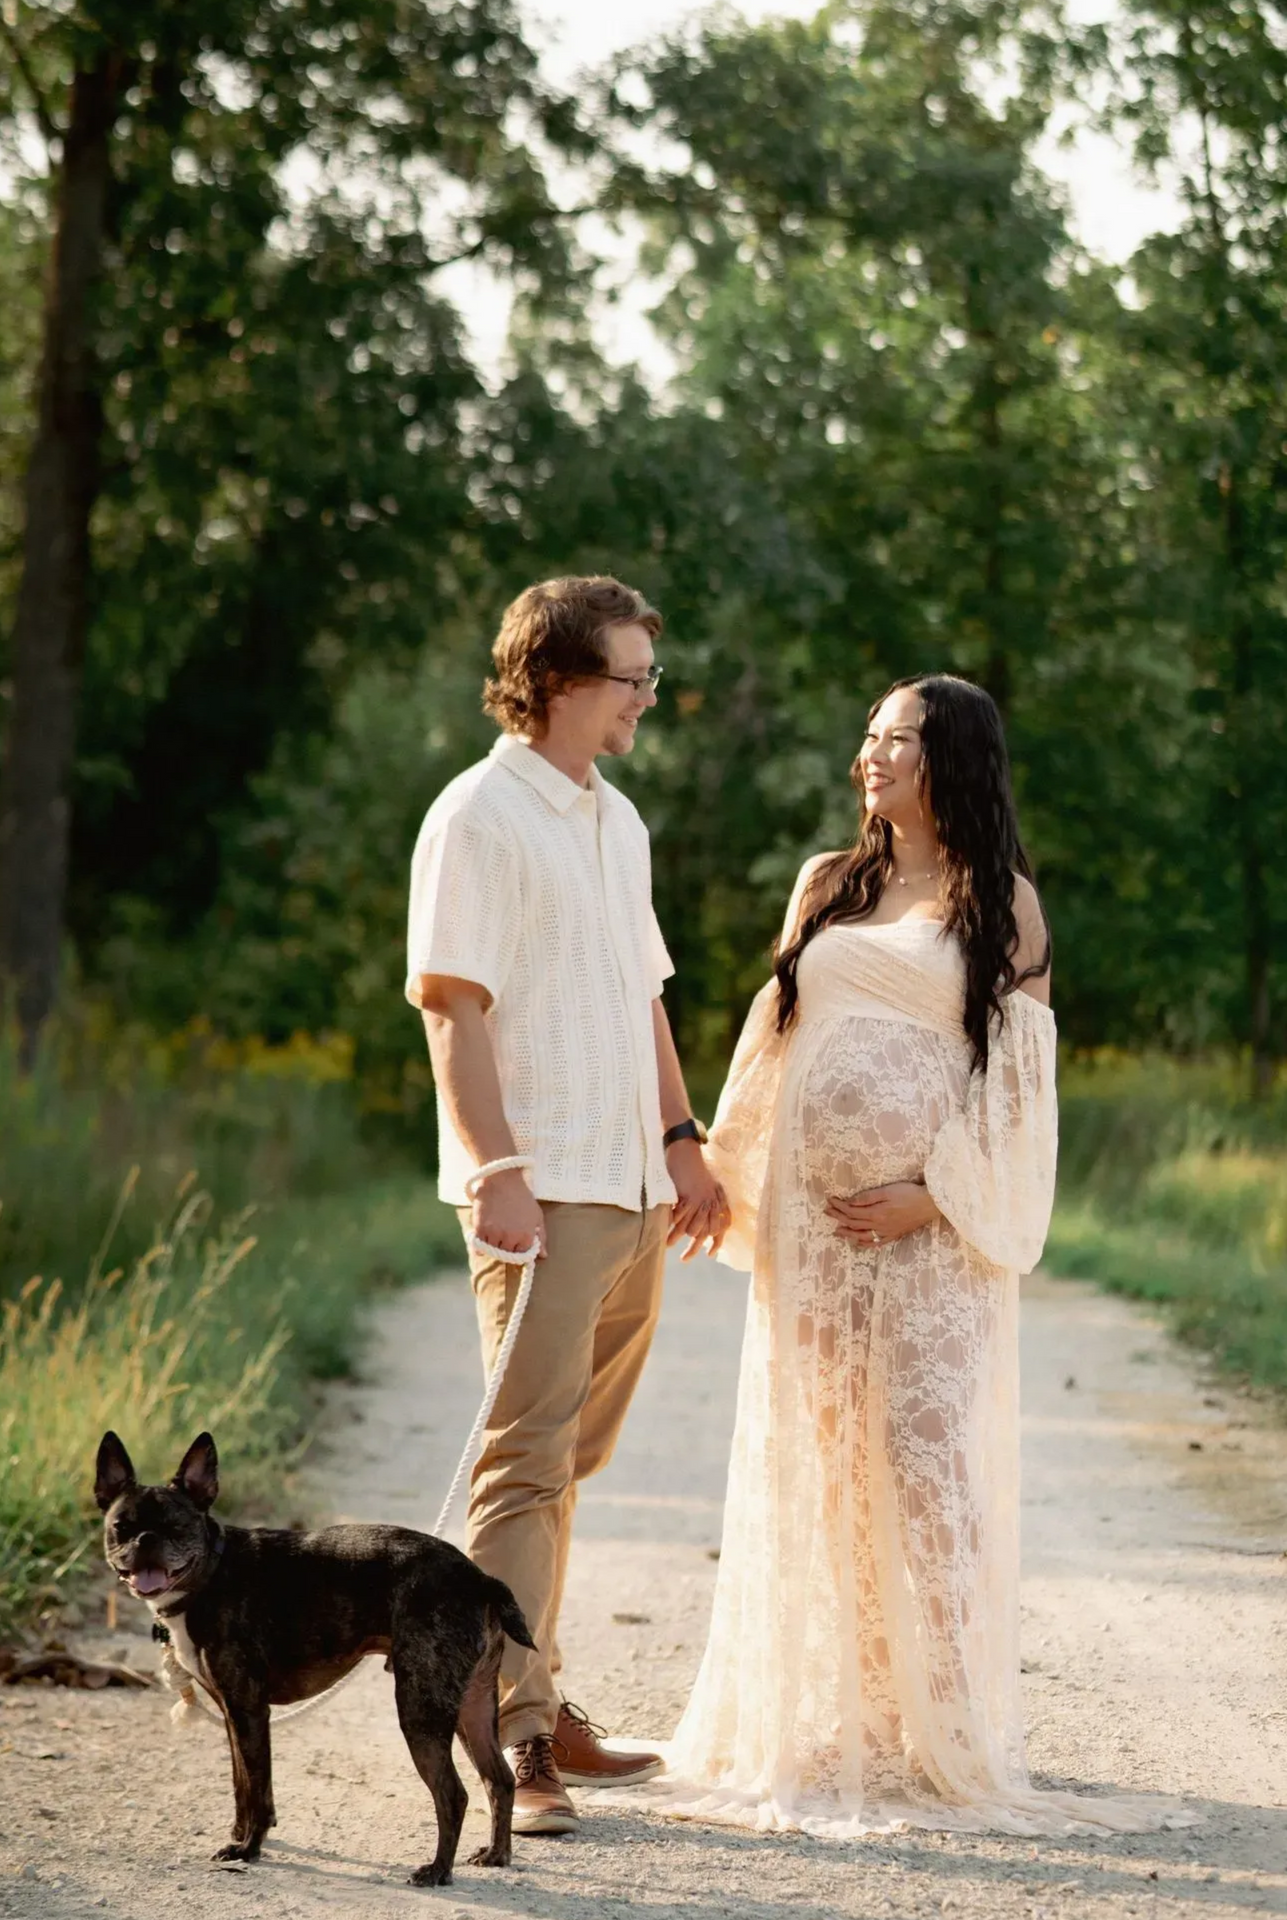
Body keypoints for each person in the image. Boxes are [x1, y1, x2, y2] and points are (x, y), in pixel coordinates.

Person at [642, 674, 1186, 1837]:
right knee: (823, 1460)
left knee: (929, 1462)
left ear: (953, 759)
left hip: (933, 1239)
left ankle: (942, 1726)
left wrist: (932, 1200)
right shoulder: (825, 887)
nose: (868, 758)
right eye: (868, 737)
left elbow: (1018, 1098)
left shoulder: (1008, 906)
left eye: (893, 739)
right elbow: (772, 1050)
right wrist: (720, 1177)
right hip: (811, 1235)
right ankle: (840, 1721)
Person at [405, 576, 731, 1838]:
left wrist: (683, 1139)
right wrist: (495, 1167)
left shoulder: (618, 817)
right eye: (631, 678)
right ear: (554, 681)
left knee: (568, 1467)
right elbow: (451, 1001)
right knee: (526, 1463)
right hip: (544, 1189)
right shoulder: (478, 816)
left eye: (650, 675)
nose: (648, 698)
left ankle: (535, 1689)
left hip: (635, 1183)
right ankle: (512, 1738)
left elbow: (645, 994)